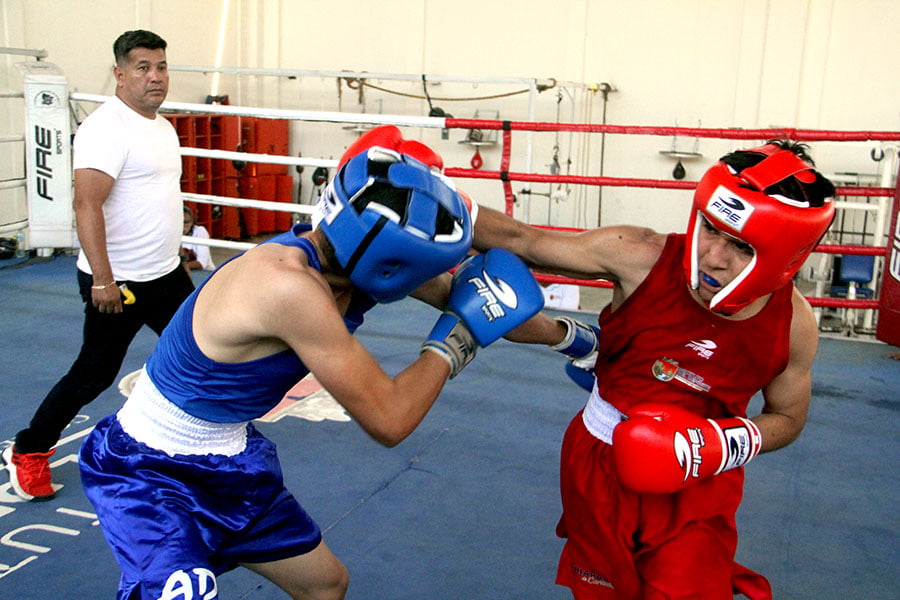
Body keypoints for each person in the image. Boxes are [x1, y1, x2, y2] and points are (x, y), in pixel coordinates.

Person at [77, 140, 577, 600]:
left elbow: (480, 301)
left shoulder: (351, 252)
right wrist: (454, 342)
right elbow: (390, 419)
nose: (432, 279)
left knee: (325, 584)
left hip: (229, 457)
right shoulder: (288, 287)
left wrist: (577, 340)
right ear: (391, 265)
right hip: (148, 471)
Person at [473, 140, 836, 599]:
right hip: (597, 466)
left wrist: (720, 445)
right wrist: (436, 202)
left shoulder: (794, 325)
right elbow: (525, 240)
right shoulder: (641, 255)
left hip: (699, 487)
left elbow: (788, 418)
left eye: (741, 246)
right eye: (711, 229)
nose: (713, 257)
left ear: (787, 255)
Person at [1, 29, 195, 502]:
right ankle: (28, 449)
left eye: (161, 67)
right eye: (143, 68)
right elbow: (86, 205)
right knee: (94, 373)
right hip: (119, 281)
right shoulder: (105, 129)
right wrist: (103, 279)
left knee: (199, 352)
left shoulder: (162, 127)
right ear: (120, 74)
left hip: (165, 272)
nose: (155, 77)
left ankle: (185, 446)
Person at [180, 205, 216, 271]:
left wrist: (180, 268)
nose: (182, 227)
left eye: (186, 224)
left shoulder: (199, 232)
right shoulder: (170, 234)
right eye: (180, 223)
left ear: (191, 223)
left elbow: (202, 263)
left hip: (205, 272)